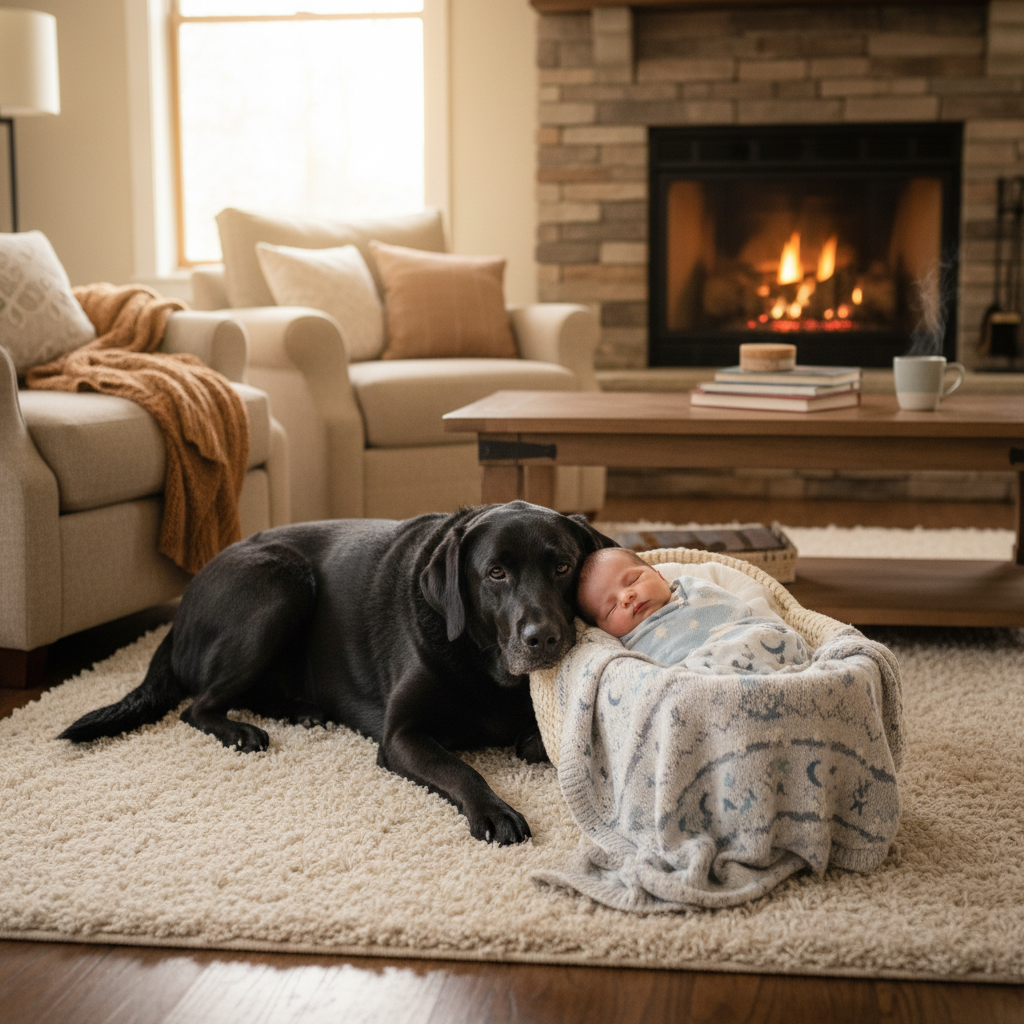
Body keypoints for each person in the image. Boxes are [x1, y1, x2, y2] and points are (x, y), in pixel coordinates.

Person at [576, 546, 810, 674]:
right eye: (611, 607)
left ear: (660, 576)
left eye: (634, 580)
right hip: (697, 678)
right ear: (603, 628)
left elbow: (745, 613)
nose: (626, 596)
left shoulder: (691, 588)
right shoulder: (620, 649)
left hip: (747, 643)